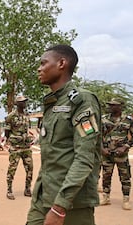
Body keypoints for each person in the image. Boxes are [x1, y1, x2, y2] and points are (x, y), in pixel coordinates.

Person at [26, 45, 101, 225]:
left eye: (44, 63)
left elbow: (84, 158)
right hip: (44, 196)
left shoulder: (82, 101)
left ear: (61, 63)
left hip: (71, 203)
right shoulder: (53, 103)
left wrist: (59, 207)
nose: (39, 68)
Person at [100, 98, 133, 210]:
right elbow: (97, 136)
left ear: (120, 106)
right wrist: (102, 149)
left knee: (125, 177)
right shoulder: (103, 120)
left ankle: (126, 199)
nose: (111, 107)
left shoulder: (128, 120)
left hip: (121, 155)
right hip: (107, 154)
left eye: (114, 105)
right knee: (106, 176)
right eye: (110, 105)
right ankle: (106, 197)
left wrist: (125, 147)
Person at [5, 95, 33, 200]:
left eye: (25, 101)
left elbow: (26, 129)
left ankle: (27, 189)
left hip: (26, 147)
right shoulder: (11, 116)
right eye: (22, 102)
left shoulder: (26, 115)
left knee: (30, 169)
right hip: (15, 147)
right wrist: (11, 141)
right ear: (17, 104)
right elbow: (7, 131)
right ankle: (9, 190)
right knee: (12, 169)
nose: (24, 103)